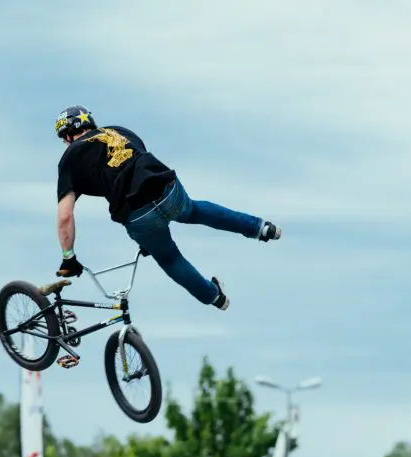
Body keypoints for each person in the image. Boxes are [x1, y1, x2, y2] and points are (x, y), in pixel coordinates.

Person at [52, 105, 281, 311]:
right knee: (194, 211)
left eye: (64, 139)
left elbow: (64, 216)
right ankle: (261, 228)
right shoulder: (118, 131)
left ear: (69, 134)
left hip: (137, 215)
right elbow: (136, 158)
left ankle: (214, 297)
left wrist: (68, 257)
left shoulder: (70, 159)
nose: (65, 144)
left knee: (169, 258)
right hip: (164, 187)